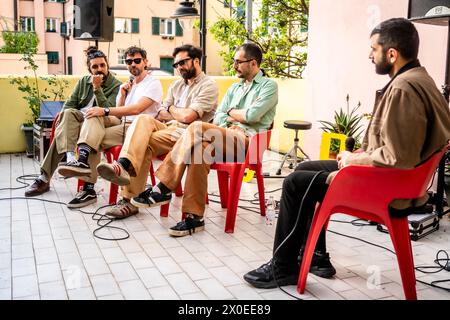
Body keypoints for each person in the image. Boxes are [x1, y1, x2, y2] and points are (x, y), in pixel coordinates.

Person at [243, 17, 450, 289]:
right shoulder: (422, 79)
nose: (369, 55)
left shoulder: (403, 88)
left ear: (392, 54)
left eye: (373, 50)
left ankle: (283, 268)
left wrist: (354, 159)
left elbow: (398, 157)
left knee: (295, 183)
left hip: (389, 187)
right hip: (399, 181)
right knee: (305, 168)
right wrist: (360, 156)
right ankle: (316, 256)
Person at [128, 42, 277, 237]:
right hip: (223, 136)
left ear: (254, 63)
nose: (234, 66)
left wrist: (232, 112)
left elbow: (252, 116)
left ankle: (163, 186)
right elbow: (221, 116)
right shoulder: (234, 88)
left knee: (196, 126)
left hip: (248, 142)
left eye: (238, 62)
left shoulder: (269, 86)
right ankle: (194, 218)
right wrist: (233, 114)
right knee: (198, 150)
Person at [95, 44, 219, 218]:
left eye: (183, 63)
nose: (179, 68)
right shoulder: (177, 85)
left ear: (197, 61)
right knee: (144, 119)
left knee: (143, 142)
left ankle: (129, 200)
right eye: (176, 65)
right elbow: (160, 112)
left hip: (189, 134)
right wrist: (175, 112)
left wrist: (173, 108)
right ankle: (122, 165)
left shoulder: (208, 86)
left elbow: (188, 117)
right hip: (169, 128)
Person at [57, 46, 163, 208]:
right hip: (124, 126)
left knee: (98, 115)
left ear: (145, 62)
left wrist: (105, 110)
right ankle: (86, 179)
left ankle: (93, 185)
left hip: (141, 129)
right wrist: (122, 94)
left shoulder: (152, 83)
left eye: (137, 60)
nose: (133, 64)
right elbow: (120, 115)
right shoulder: (130, 84)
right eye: (129, 61)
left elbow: (137, 110)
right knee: (94, 129)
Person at [24, 47, 121, 201]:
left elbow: (110, 109)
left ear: (107, 65)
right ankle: (71, 160)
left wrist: (97, 89)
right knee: (68, 114)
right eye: (95, 66)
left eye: (102, 65)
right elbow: (68, 106)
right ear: (89, 68)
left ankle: (44, 178)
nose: (99, 69)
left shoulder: (116, 85)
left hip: (103, 121)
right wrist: (77, 119)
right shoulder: (83, 82)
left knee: (78, 125)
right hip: (81, 120)